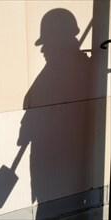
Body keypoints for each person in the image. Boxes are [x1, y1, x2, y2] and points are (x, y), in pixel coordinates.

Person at [17, 8, 92, 219]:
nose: (43, 50)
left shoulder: (81, 66)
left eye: (46, 42)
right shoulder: (74, 65)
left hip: (68, 161)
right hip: (52, 163)